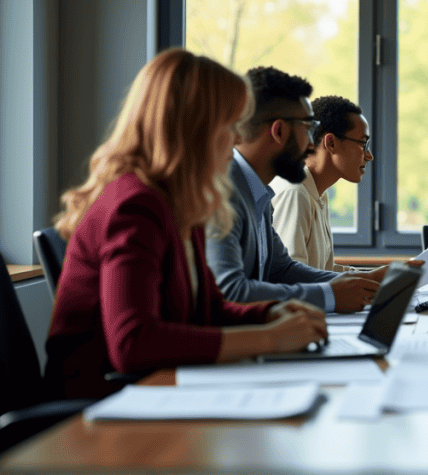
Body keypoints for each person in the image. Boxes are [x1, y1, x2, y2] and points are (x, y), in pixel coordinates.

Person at [45, 49, 328, 399]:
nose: (239, 140)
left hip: (154, 393)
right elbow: (133, 343)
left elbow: (209, 309)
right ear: (194, 130)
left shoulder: (181, 204)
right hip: (94, 414)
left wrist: (271, 313)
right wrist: (270, 338)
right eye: (229, 127)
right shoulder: (135, 204)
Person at [206, 66, 379, 313]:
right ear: (279, 131)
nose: (312, 144)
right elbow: (231, 291)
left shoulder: (257, 191)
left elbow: (281, 269)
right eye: (308, 130)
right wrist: (329, 295)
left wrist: (356, 283)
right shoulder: (225, 192)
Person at [270, 95, 372, 272]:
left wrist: (380, 276)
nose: (369, 156)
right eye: (363, 143)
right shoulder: (295, 192)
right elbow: (293, 278)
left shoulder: (318, 194)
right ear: (331, 143)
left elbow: (322, 271)